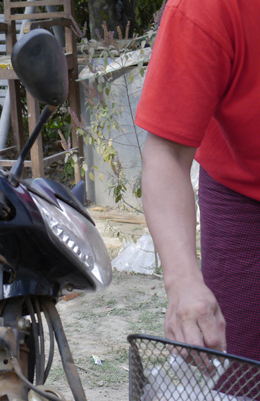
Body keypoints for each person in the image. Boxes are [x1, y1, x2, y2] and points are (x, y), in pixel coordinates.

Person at [136, 0, 260, 365]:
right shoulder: (207, 7)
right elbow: (167, 155)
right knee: (242, 372)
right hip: (245, 202)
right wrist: (183, 281)